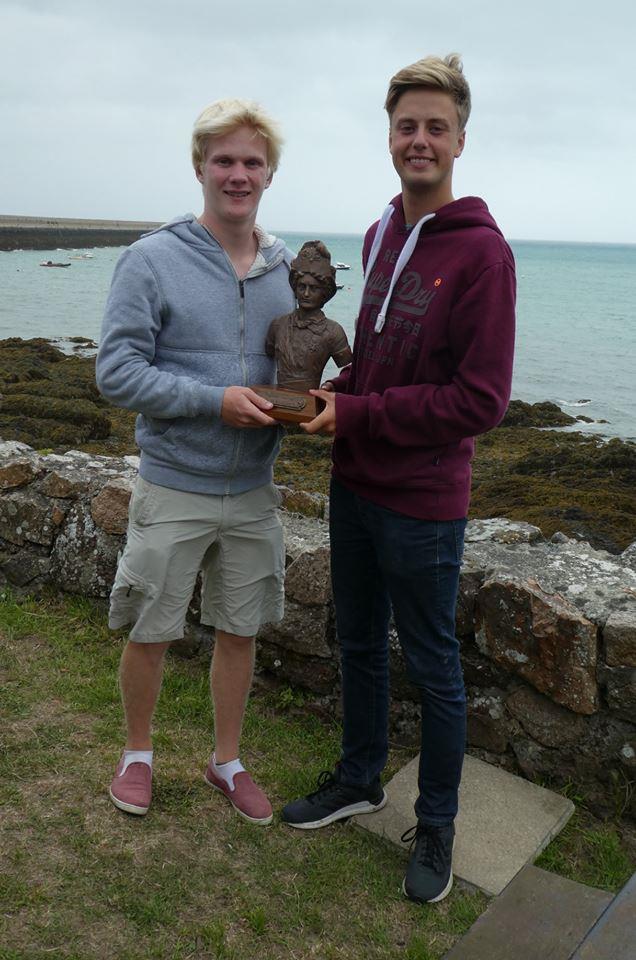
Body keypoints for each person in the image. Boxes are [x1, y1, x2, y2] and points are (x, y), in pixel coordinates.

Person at [281, 55, 516, 903]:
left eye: (436, 127)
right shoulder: (382, 232)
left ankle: (439, 828)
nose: (420, 140)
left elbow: (481, 400)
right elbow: (380, 359)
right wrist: (338, 395)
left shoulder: (484, 254)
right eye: (406, 125)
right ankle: (359, 779)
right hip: (355, 484)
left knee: (432, 664)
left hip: (422, 504)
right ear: (390, 136)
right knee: (354, 641)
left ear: (460, 139)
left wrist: (360, 415)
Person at [96, 98, 295, 825]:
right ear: (200, 167)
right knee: (152, 628)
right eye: (224, 161)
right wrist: (215, 400)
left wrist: (317, 401)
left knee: (240, 629)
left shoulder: (285, 272)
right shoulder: (152, 258)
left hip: (253, 490)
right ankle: (138, 754)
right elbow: (115, 373)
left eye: (251, 162)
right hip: (174, 483)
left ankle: (227, 761)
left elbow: (290, 367)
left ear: (269, 172)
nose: (237, 175)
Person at [265, 241, 352, 393]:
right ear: (295, 288)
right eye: (301, 287)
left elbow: (347, 367)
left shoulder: (334, 332)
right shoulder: (278, 325)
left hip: (310, 404)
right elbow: (269, 351)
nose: (306, 293)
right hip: (278, 402)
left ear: (324, 293)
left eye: (314, 288)